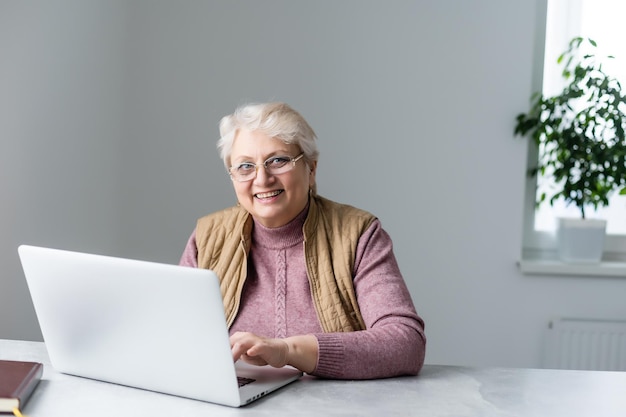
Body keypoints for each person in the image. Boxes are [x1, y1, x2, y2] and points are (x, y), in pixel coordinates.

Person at [179, 102, 426, 379]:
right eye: (246, 166)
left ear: (311, 170)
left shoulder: (358, 234)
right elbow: (174, 336)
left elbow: (406, 344)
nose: (262, 179)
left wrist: (288, 351)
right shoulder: (208, 237)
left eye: (278, 160)